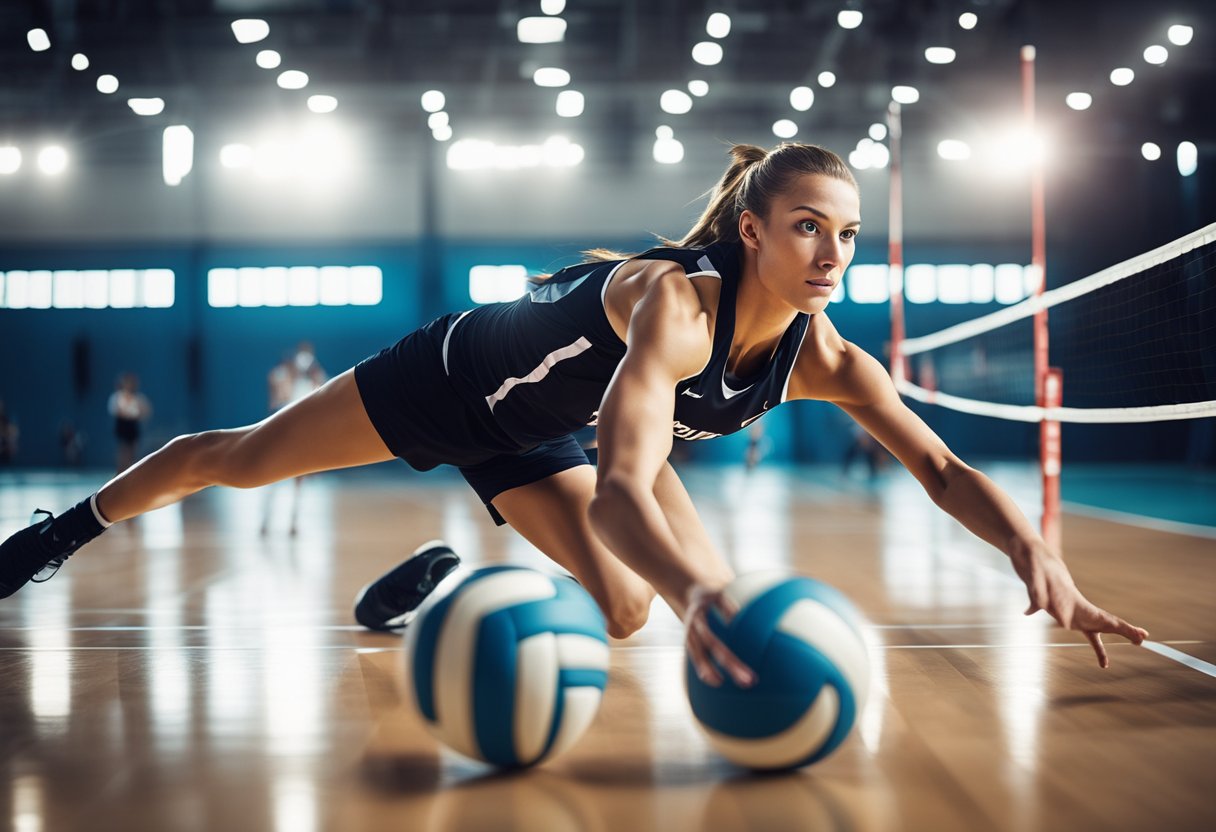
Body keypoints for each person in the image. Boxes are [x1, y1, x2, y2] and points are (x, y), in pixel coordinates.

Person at [0, 143, 1147, 684]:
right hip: (445, 381)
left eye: (847, 233)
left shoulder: (826, 356)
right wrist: (715, 595)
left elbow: (940, 467)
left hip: (533, 436)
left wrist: (1030, 547)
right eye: (807, 225)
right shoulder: (672, 308)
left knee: (628, 614)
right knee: (242, 462)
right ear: (750, 229)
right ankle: (58, 533)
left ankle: (438, 590)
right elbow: (629, 484)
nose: (831, 253)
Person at [261, 343, 328, 536]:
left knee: (299, 480)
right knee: (271, 478)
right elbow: (277, 400)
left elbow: (320, 395)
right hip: (280, 433)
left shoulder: (312, 379)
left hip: (299, 435)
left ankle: (293, 522)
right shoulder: (279, 376)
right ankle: (266, 520)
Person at [107, 373, 152, 474]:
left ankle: (130, 471)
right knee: (123, 450)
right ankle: (120, 471)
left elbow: (145, 411)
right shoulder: (117, 397)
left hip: (133, 426)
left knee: (132, 451)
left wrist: (137, 414)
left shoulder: (138, 398)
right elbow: (116, 411)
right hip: (122, 425)